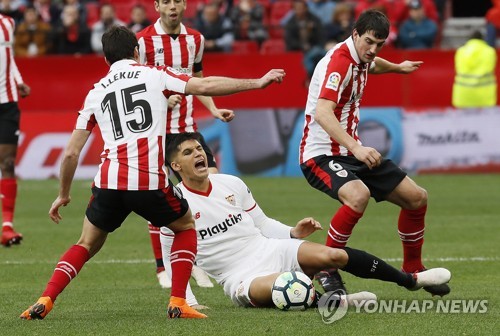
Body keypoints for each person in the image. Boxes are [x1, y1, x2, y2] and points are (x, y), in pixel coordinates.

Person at [19, 25, 286, 320]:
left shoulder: (96, 91)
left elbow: (71, 152)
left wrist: (63, 194)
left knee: (86, 243)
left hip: (108, 182)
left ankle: (46, 298)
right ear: (136, 51)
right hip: (147, 180)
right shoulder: (155, 74)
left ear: (106, 60)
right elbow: (205, 86)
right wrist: (257, 83)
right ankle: (179, 301)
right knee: (184, 226)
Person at [162, 132, 451, 308]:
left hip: (269, 248)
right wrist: (186, 301)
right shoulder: (171, 204)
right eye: (188, 153)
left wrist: (292, 231)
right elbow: (171, 256)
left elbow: (262, 225)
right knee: (290, 285)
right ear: (176, 166)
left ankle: (410, 281)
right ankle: (335, 302)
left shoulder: (231, 183)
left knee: (334, 255)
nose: (198, 154)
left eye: (199, 148)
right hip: (239, 277)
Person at [298, 9, 450, 296]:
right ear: (354, 34)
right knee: (358, 195)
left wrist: (396, 67)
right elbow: (322, 112)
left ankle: (414, 269)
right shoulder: (339, 63)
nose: (373, 49)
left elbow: (372, 63)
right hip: (320, 155)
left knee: (417, 198)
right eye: (368, 41)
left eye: (379, 44)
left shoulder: (361, 56)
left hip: (350, 150)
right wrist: (356, 147)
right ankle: (326, 268)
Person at [136, 0, 235, 289]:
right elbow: (136, 85)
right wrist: (161, 100)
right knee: (158, 199)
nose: (172, 6)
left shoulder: (196, 39)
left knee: (210, 189)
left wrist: (214, 110)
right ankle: (161, 267)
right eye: (165, 1)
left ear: (185, 4)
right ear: (156, 6)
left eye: (177, 0)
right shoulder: (142, 41)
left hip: (188, 130)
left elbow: (198, 79)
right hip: (156, 133)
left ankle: (197, 261)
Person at [0, 13, 30, 247]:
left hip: (7, 103)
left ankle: (7, 226)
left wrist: (18, 80)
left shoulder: (8, 23)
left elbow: (8, 59)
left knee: (8, 163)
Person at [452, 30, 497, 108]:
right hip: (484, 95)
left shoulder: (461, 51)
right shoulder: (490, 51)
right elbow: (490, 68)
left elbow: (458, 68)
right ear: (482, 39)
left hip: (463, 94)